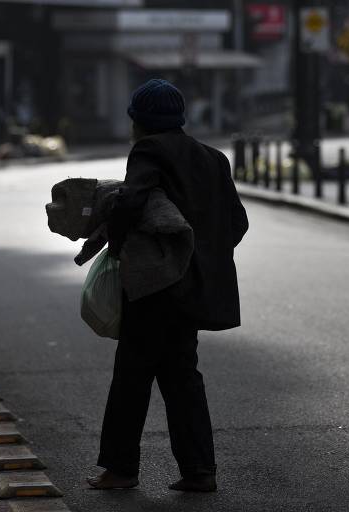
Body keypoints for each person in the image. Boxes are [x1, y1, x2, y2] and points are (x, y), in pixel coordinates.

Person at [87, 78, 249, 493]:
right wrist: (201, 256)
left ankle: (120, 469)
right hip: (194, 289)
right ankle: (199, 470)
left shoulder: (148, 150)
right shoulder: (214, 159)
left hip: (155, 287)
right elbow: (237, 222)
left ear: (138, 122)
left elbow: (131, 201)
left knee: (132, 376)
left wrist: (119, 245)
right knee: (182, 378)